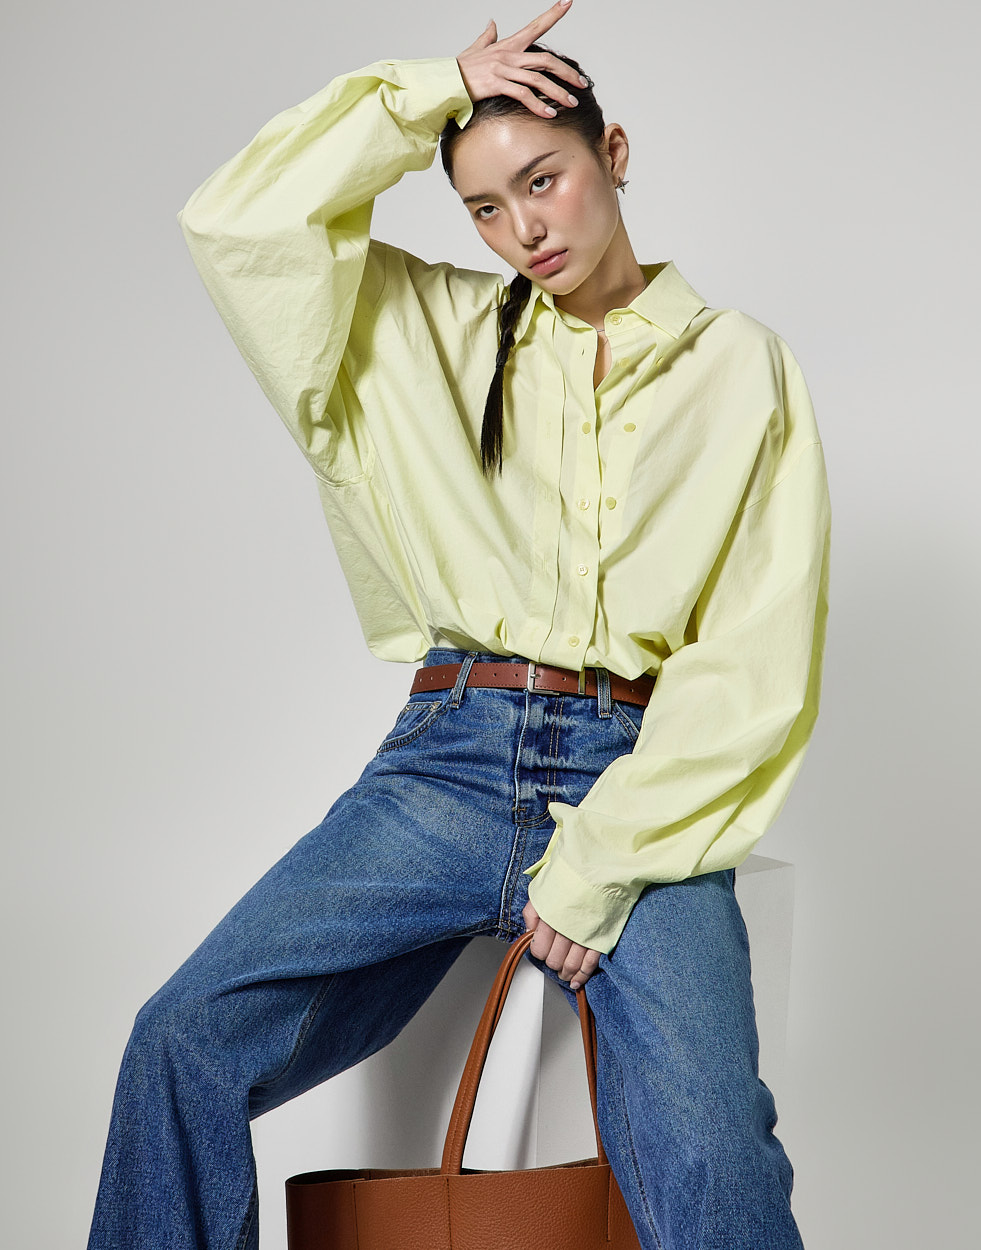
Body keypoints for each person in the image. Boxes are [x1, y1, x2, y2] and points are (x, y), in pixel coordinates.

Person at [87, 1, 830, 1246]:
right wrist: (425, 89)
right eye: (484, 207)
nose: (522, 229)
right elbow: (237, 223)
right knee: (180, 1039)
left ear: (614, 154)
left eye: (542, 180)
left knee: (715, 1144)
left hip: (639, 780)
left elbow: (753, 653)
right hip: (446, 762)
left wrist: (600, 863)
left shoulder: (738, 366)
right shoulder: (422, 330)